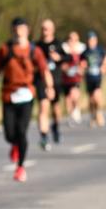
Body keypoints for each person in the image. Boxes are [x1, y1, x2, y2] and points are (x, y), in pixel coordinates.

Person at [0, 17, 53, 182]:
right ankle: (14, 145)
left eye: (22, 29)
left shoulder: (34, 51)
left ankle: (20, 167)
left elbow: (44, 71)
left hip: (27, 94)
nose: (19, 32)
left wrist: (50, 87)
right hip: (9, 95)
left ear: (27, 31)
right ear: (13, 30)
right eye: (16, 29)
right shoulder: (5, 50)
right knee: (9, 133)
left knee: (22, 131)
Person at [35, 19, 64, 150]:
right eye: (42, 28)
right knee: (43, 107)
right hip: (41, 81)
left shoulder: (58, 44)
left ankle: (56, 127)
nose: (44, 31)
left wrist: (59, 58)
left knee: (56, 110)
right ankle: (44, 136)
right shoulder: (37, 46)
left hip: (56, 80)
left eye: (47, 28)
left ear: (52, 30)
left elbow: (68, 58)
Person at [81, 31, 106, 127]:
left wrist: (104, 66)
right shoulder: (85, 52)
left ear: (96, 40)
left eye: (93, 40)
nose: (91, 42)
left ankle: (99, 113)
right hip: (89, 77)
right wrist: (83, 66)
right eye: (89, 40)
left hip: (98, 76)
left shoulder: (100, 49)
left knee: (97, 97)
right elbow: (81, 63)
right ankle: (92, 116)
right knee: (91, 99)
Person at [60, 30, 86, 125]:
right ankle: (70, 115)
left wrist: (81, 68)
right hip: (66, 78)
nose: (72, 41)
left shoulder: (81, 49)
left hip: (76, 77)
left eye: (75, 39)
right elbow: (61, 63)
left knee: (74, 95)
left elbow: (84, 62)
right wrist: (66, 69)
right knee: (67, 99)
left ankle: (76, 109)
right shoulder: (64, 49)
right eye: (71, 39)